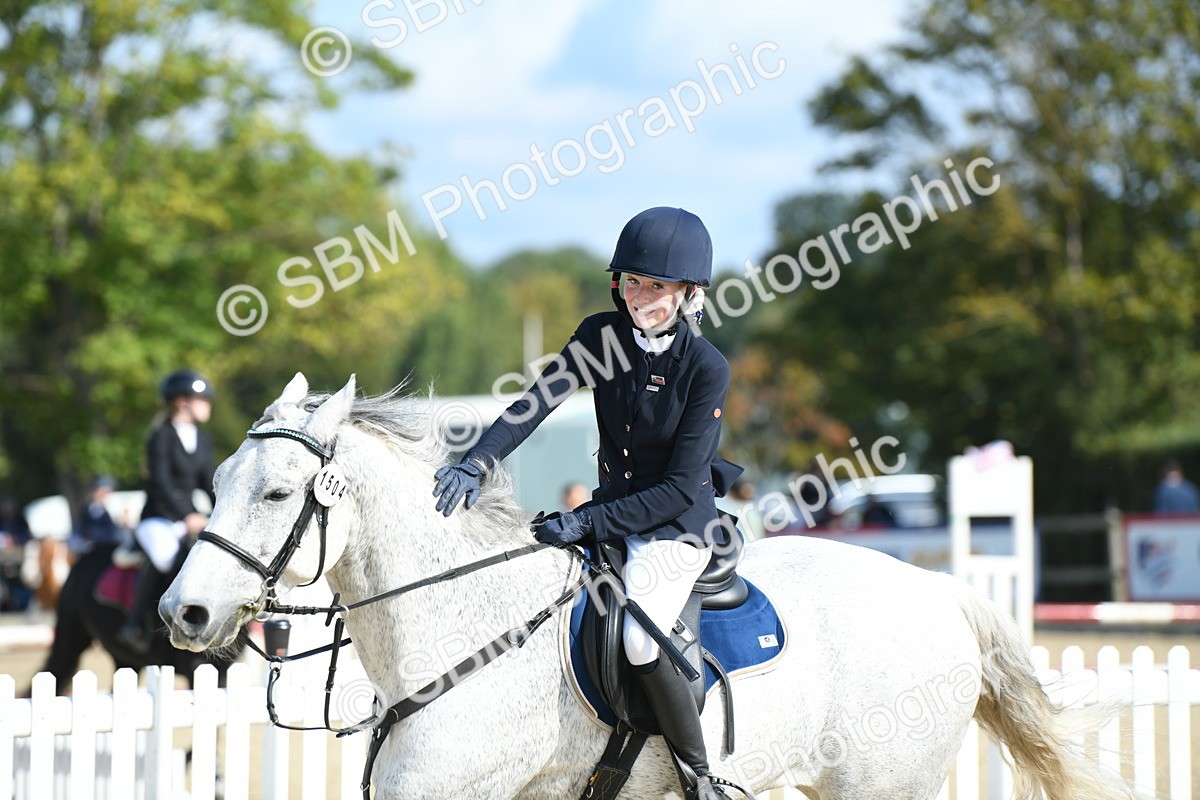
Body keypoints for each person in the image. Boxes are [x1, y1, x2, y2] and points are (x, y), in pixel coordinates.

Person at [432, 207, 743, 800]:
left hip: (675, 527)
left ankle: (700, 776)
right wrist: (478, 459)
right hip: (610, 512)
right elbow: (535, 402)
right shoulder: (600, 337)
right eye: (632, 282)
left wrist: (584, 520)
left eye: (656, 286)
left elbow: (680, 487)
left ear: (689, 293)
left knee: (640, 640)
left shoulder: (705, 367)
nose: (640, 296)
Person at [116, 369, 216, 653]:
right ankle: (135, 623)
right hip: (159, 517)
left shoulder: (203, 438)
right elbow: (161, 483)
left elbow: (209, 482)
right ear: (183, 401)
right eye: (203, 399)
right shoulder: (161, 436)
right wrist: (188, 515)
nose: (207, 405)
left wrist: (220, 510)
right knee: (166, 558)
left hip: (190, 517)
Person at [69, 475, 125, 558]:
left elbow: (118, 535)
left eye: (106, 492)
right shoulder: (87, 512)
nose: (103, 496)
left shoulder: (113, 512)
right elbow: (77, 533)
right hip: (91, 554)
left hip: (110, 552)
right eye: (100, 492)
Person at [0, 495, 32, 612]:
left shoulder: (21, 521)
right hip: (2, 564)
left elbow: (28, 538)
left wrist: (16, 540)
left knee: (22, 591)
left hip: (20, 564)